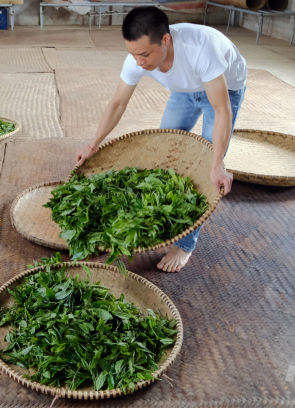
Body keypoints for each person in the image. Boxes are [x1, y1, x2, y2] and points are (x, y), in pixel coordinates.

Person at [75, 7, 248, 273]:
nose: (139, 62)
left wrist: (217, 164)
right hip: (183, 90)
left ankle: (185, 244)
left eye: (145, 54)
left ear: (165, 40)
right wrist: (92, 145)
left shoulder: (201, 48)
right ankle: (162, 215)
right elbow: (118, 103)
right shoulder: (136, 59)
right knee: (165, 154)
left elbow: (221, 108)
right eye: (134, 54)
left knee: (206, 167)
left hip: (225, 88)